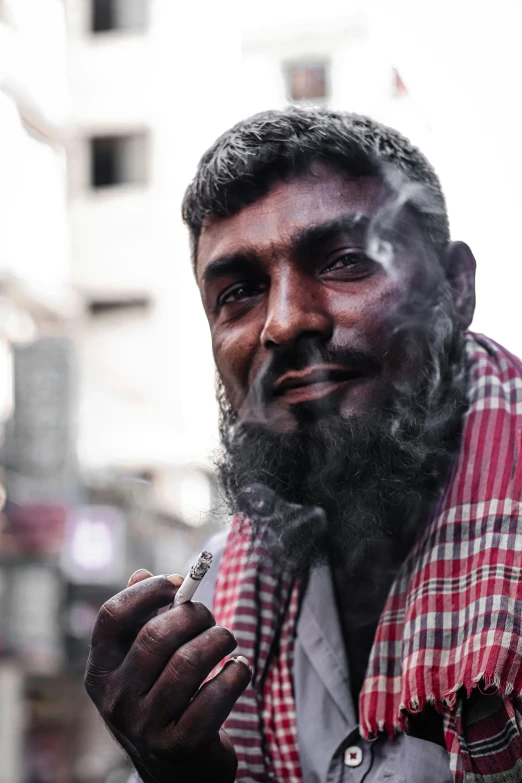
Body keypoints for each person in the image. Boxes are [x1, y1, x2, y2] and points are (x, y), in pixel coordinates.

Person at [84, 107, 522, 783]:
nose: (285, 322)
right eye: (239, 292)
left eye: (345, 261)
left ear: (456, 288)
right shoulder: (224, 585)